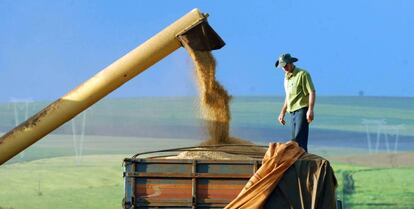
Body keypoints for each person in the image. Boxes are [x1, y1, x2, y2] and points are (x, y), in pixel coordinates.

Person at [276, 53, 316, 152]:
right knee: (295, 143)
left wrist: (310, 110)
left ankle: (303, 164)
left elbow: (312, 91)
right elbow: (288, 96)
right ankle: (297, 163)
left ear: (291, 63)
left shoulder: (303, 74)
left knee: (299, 140)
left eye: (285, 66)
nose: (284, 68)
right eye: (282, 67)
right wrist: (282, 112)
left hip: (302, 110)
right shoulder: (286, 77)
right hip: (292, 112)